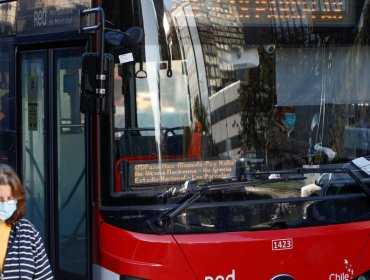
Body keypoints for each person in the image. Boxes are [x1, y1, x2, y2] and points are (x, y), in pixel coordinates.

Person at [0, 164, 53, 279]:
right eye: (0, 199)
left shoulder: (27, 231)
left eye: (10, 199)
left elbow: (45, 276)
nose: (4, 205)